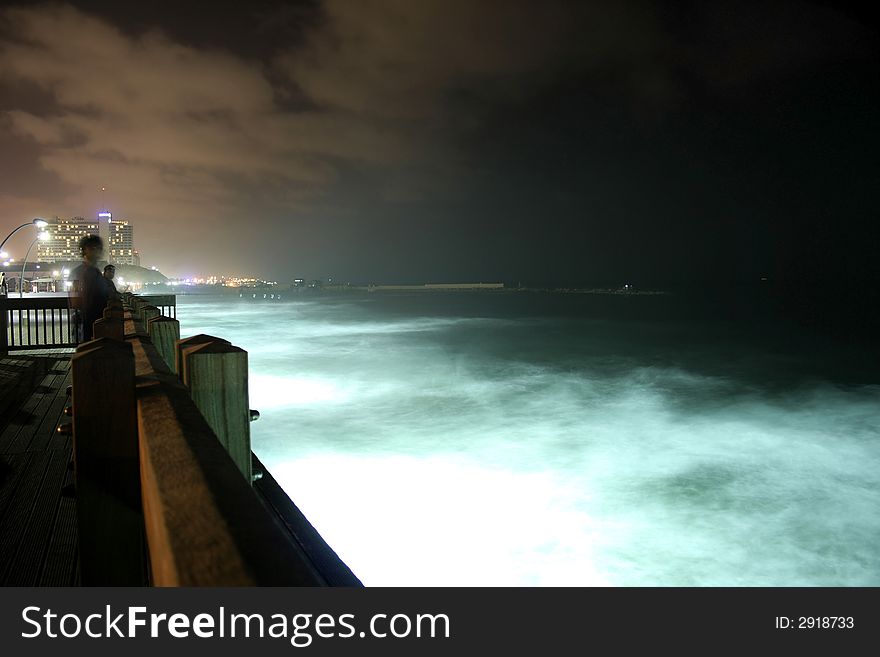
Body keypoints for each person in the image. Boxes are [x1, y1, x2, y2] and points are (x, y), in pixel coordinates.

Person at [70, 234, 108, 342]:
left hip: (94, 321)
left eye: (98, 248)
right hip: (89, 322)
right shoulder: (82, 272)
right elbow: (76, 299)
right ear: (84, 250)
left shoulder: (94, 272)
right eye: (92, 248)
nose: (96, 251)